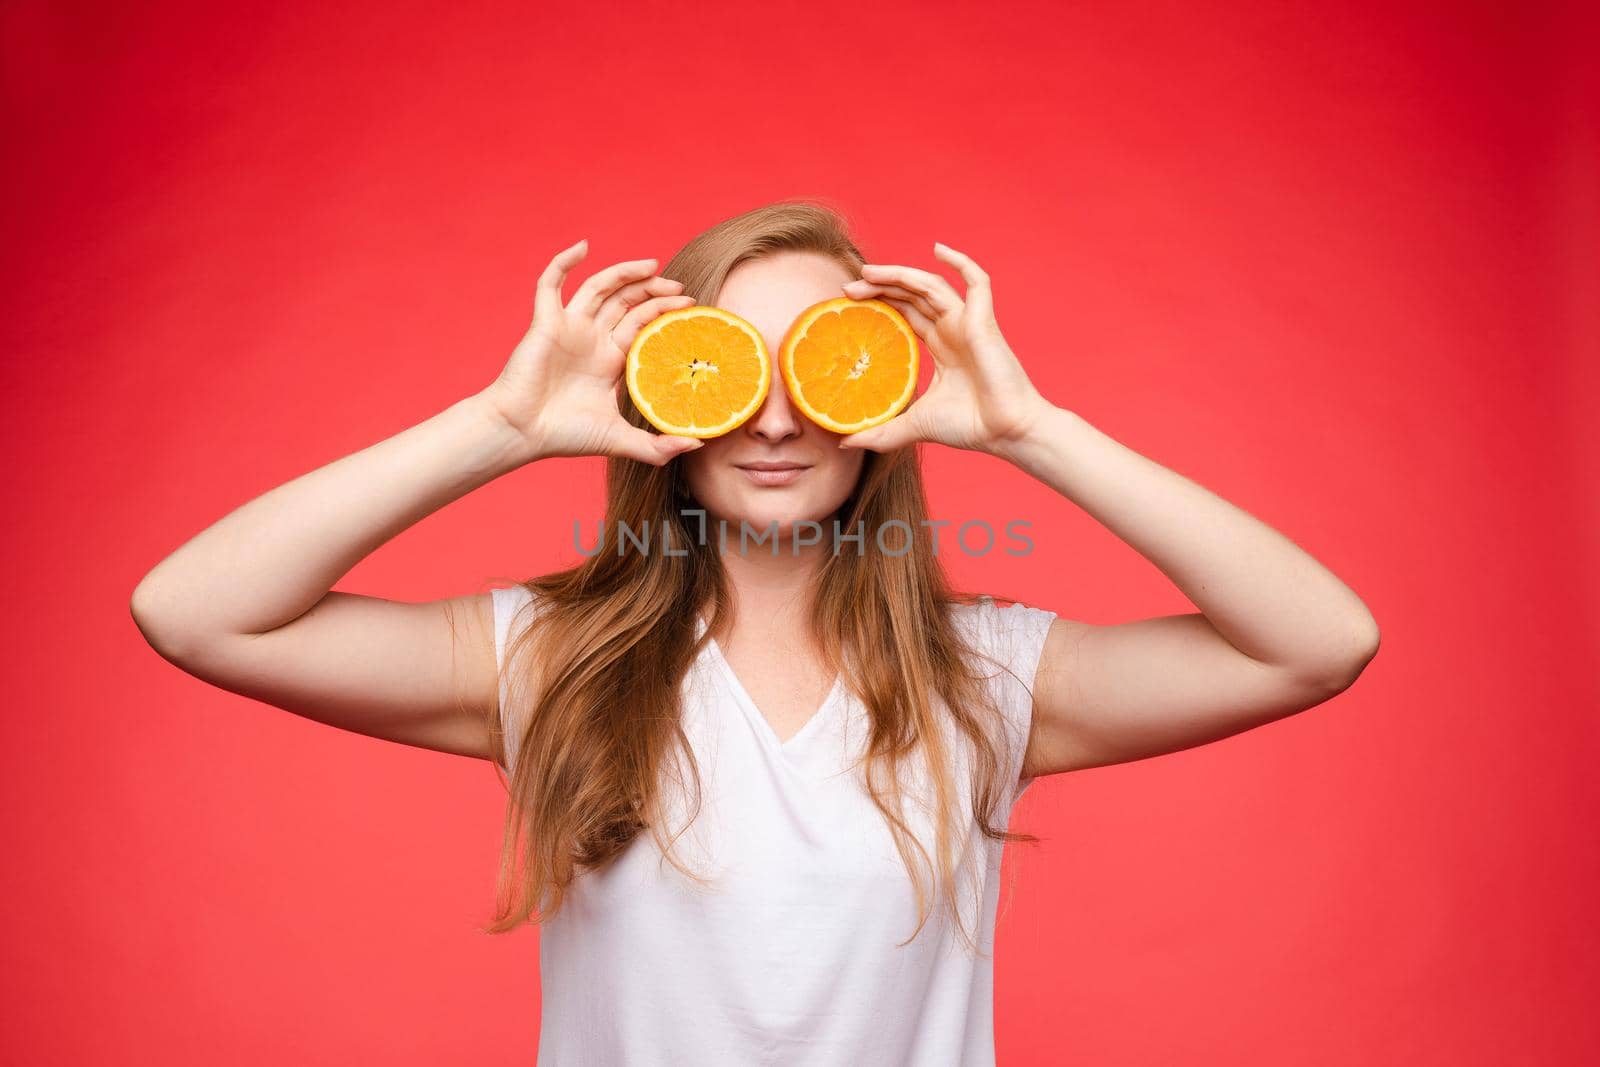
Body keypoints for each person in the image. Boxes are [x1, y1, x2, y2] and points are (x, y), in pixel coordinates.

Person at [131, 199, 1380, 1065]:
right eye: (731, 364)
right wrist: (499, 426)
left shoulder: (986, 677)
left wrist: (1030, 429)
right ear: (662, 384)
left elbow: (1316, 640)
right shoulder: (547, 659)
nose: (777, 419)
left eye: (823, 365)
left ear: (885, 393)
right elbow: (193, 612)